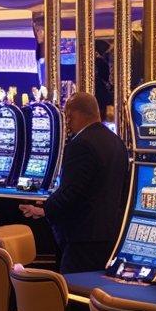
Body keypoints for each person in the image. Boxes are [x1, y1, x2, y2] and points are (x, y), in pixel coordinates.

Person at [18, 92, 129, 273]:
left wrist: (45, 209)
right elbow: (123, 191)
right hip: (111, 233)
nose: (67, 122)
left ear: (71, 115)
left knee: (72, 293)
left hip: (83, 237)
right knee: (96, 293)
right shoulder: (116, 142)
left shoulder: (80, 144)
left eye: (67, 116)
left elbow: (71, 191)